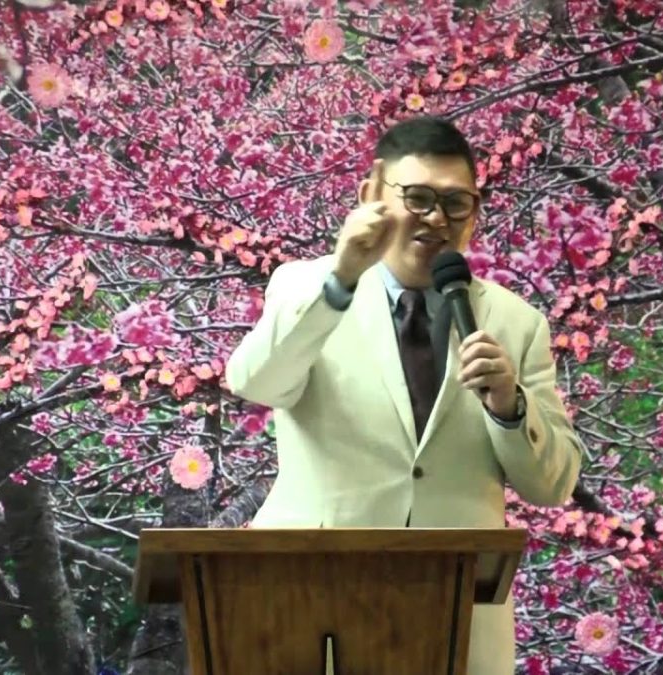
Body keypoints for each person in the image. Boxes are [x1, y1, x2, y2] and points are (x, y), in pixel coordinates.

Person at [225, 115, 584, 675]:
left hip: (459, 622)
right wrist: (341, 279)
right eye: (418, 198)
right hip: (314, 608)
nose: (437, 219)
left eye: (456, 203)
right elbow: (256, 383)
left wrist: (510, 406)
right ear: (372, 193)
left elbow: (553, 485)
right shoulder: (305, 287)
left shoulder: (517, 323)